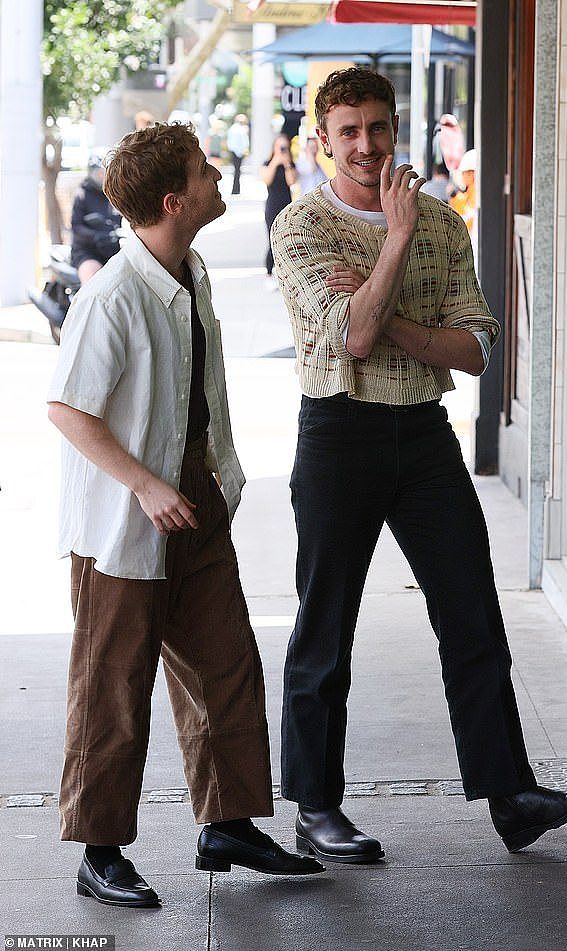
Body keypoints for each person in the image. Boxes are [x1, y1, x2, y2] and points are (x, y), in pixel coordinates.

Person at [271, 67, 567, 865]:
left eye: (377, 128)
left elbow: (478, 348)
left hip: (424, 435)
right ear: (322, 141)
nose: (364, 144)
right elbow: (348, 339)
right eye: (347, 131)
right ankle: (317, 807)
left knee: (473, 613)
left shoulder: (443, 224)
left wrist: (391, 318)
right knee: (325, 629)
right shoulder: (300, 229)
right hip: (338, 434)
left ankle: (512, 796)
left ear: (397, 130)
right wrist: (391, 245)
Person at [47, 122, 322, 909]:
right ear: (176, 200)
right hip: (125, 525)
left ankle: (228, 822)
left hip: (195, 500)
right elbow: (68, 410)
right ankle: (99, 852)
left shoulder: (190, 270)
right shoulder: (112, 296)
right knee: (114, 689)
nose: (215, 177)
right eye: (205, 172)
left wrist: (207, 482)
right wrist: (143, 484)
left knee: (228, 668)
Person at [70, 154, 121, 285]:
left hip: (114, 250)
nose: (102, 177)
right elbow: (76, 227)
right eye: (99, 173)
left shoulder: (116, 194)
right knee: (93, 282)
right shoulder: (82, 194)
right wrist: (96, 236)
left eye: (105, 173)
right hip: (88, 252)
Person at [260, 134, 297, 284]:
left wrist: (287, 163)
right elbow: (266, 180)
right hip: (272, 205)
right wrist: (276, 161)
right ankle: (269, 272)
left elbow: (292, 182)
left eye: (284, 147)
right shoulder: (268, 163)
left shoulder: (290, 164)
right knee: (271, 239)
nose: (282, 150)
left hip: (287, 205)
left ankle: (284, 274)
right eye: (279, 146)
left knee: (286, 240)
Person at [450, 148, 478, 236]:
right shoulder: (469, 193)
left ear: (472, 173)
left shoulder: (475, 192)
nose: (462, 176)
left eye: (464, 173)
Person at [226, 114, 250, 195]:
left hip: (233, 151)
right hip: (239, 152)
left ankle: (235, 189)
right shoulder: (241, 129)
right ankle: (236, 189)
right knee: (237, 171)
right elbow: (245, 142)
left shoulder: (232, 129)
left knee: (236, 171)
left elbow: (229, 142)